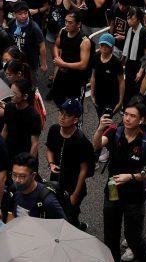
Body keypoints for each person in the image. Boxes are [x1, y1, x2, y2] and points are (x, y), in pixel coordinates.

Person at [94, 97, 146, 262]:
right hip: (113, 188)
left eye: (133, 116)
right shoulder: (115, 132)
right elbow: (96, 145)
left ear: (141, 120)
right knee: (110, 234)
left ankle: (144, 258)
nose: (127, 119)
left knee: (133, 237)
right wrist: (100, 129)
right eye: (126, 114)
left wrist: (131, 176)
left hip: (134, 196)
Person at [44, 97, 94, 227]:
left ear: (75, 120)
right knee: (54, 213)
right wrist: (51, 163)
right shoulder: (54, 130)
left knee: (70, 215)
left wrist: (75, 194)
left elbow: (84, 170)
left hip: (73, 186)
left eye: (67, 115)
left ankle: (76, 227)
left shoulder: (82, 142)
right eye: (61, 112)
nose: (62, 117)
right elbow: (49, 149)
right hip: (55, 183)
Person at [6, 153, 65, 220]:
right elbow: (11, 213)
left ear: (33, 175)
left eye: (22, 176)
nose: (17, 180)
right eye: (14, 175)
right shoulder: (14, 189)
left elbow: (63, 226)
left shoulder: (48, 201)